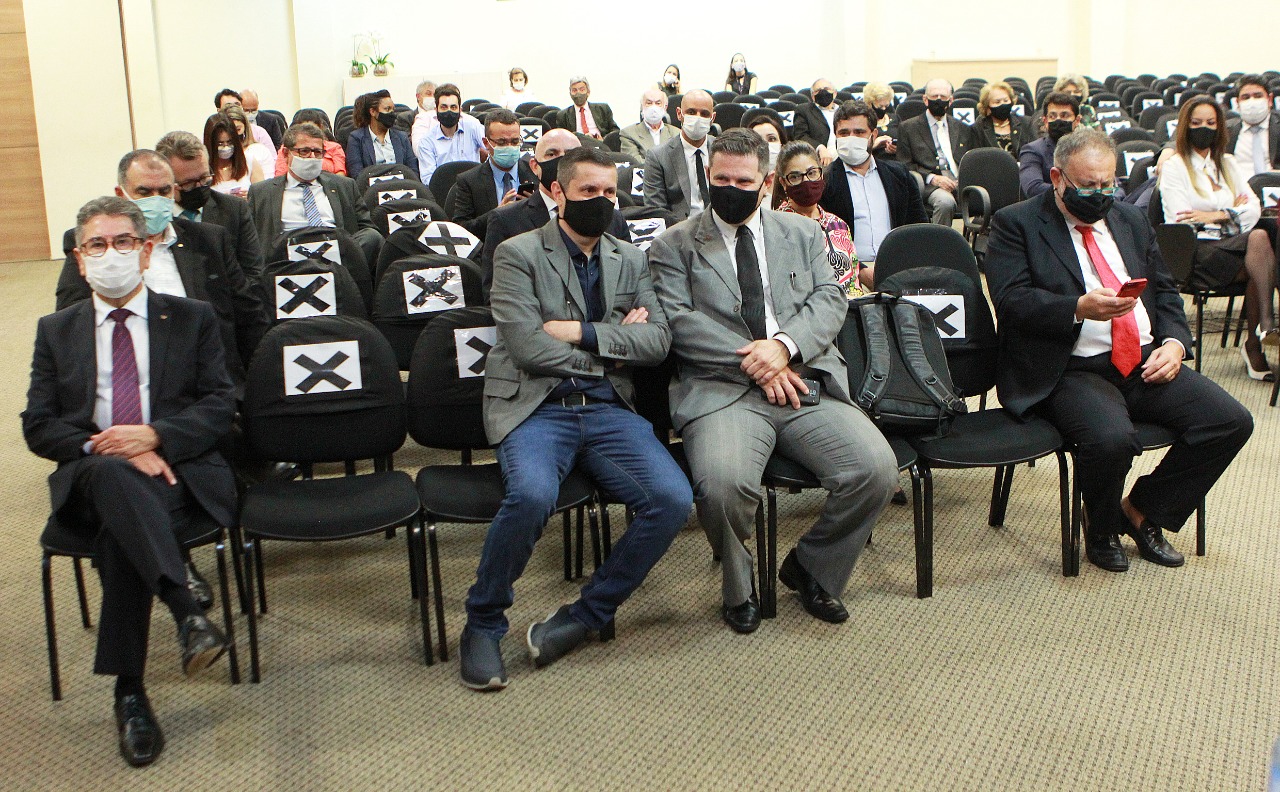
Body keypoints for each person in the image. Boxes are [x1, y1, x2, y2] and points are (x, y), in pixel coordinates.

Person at [459, 146, 692, 691]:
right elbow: (527, 346)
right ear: (557, 192)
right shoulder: (517, 253)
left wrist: (580, 333)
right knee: (531, 496)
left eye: (610, 192)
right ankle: (483, 622)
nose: (602, 201)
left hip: (608, 407)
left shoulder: (630, 258)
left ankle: (586, 615)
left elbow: (657, 341)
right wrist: (612, 349)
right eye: (589, 191)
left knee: (671, 500)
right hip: (536, 405)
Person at [648, 129, 898, 634]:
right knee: (722, 488)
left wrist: (783, 348)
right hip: (722, 390)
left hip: (803, 380)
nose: (731, 189)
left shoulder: (803, 233)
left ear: (766, 183)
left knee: (876, 471)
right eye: (721, 179)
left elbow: (829, 299)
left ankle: (813, 568)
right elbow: (678, 322)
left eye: (744, 181)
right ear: (708, 176)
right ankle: (739, 586)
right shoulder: (673, 244)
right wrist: (761, 362)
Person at [24, 196, 237, 765]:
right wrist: (110, 446)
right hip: (91, 473)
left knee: (119, 530)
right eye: (96, 244)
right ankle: (185, 610)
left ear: (145, 252)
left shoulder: (191, 317)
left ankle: (130, 692)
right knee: (112, 477)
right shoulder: (56, 330)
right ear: (78, 259)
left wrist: (154, 436)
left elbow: (220, 405)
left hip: (176, 472)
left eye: (122, 242)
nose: (110, 253)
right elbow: (38, 425)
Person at [984, 127, 1253, 573]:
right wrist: (1077, 308)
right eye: (1088, 185)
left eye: (1107, 184)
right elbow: (1011, 301)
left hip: (1142, 358)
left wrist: (1174, 343)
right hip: (1070, 368)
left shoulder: (1129, 218)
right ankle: (1101, 526)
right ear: (1057, 178)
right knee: (1111, 439)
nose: (1100, 195)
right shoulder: (1017, 223)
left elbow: (1165, 290)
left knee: (1229, 421)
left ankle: (1141, 511)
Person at [56, 150, 268, 385]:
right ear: (121, 194)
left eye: (164, 191)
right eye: (144, 192)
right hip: (130, 380)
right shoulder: (95, 246)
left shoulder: (210, 241)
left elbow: (249, 317)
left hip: (207, 378)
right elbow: (70, 324)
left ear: (174, 190)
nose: (156, 200)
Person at [1159, 96, 1279, 378]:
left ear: (1220, 127)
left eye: (1211, 123)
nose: (1204, 128)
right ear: (1186, 126)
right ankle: (1262, 332)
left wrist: (1217, 215)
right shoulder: (1175, 166)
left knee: (1260, 245)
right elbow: (1181, 219)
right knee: (1260, 245)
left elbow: (1253, 208)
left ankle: (1259, 337)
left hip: (1238, 249)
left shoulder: (1228, 163)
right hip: (1197, 253)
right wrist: (1232, 213)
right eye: (1197, 122)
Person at [481, 129, 632, 289]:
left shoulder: (613, 218)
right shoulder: (506, 220)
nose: (561, 161)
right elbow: (496, 292)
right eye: (552, 154)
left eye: (570, 154)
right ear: (534, 166)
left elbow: (628, 281)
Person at [247, 122, 384, 272]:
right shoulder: (261, 192)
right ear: (286, 154)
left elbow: (367, 227)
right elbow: (251, 241)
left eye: (317, 152)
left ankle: (338, 276)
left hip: (339, 257)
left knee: (371, 236)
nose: (312, 157)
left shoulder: (344, 186)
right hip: (287, 261)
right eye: (304, 151)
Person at [820, 100, 927, 279]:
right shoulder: (824, 181)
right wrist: (860, 271)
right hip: (846, 273)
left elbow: (919, 227)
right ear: (836, 135)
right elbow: (822, 240)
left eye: (859, 132)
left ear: (873, 135)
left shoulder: (899, 175)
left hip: (897, 268)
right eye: (844, 133)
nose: (851, 138)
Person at [155, 130, 264, 285]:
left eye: (205, 178)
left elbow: (254, 274)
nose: (200, 186)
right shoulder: (155, 219)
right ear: (166, 183)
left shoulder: (234, 210)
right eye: (189, 183)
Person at [772, 141, 863, 294]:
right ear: (783, 182)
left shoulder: (838, 224)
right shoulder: (776, 227)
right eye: (795, 177)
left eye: (812, 173)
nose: (806, 181)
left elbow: (854, 280)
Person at [896, 79, 976, 225]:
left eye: (943, 97)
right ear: (925, 100)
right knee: (945, 202)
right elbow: (905, 165)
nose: (938, 100)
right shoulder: (908, 128)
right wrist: (933, 178)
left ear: (951, 101)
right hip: (930, 184)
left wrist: (964, 178)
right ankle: (938, 239)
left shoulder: (962, 128)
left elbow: (971, 159)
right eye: (934, 96)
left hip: (960, 183)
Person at [451, 108, 537, 238]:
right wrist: (496, 214)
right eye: (502, 142)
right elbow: (461, 230)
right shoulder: (468, 181)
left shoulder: (536, 173)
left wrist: (536, 208)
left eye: (515, 141)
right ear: (486, 143)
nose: (509, 146)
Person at [642, 90, 717, 220]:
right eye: (691, 112)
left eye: (704, 114)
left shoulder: (723, 151)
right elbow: (656, 210)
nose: (698, 118)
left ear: (712, 118)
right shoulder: (658, 156)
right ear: (679, 114)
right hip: (678, 228)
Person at [416, 83, 486, 183]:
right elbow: (428, 179)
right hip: (443, 189)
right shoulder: (427, 142)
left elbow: (491, 149)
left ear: (460, 111)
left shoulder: (473, 127)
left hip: (474, 187)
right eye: (444, 107)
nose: (449, 111)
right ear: (436, 110)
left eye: (453, 107)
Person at [345, 89, 418, 182]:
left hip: (401, 186)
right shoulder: (356, 139)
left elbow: (413, 171)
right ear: (373, 112)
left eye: (393, 110)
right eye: (387, 109)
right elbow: (357, 174)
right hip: (372, 187)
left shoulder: (402, 137)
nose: (392, 114)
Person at [1019, 92, 1082, 198]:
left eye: (1064, 115)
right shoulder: (1032, 150)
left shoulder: (1089, 149)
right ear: (1045, 121)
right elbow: (1033, 188)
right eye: (1052, 116)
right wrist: (1078, 193)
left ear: (1077, 120)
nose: (1058, 120)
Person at [1227, 74, 1280, 177]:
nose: (1252, 102)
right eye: (1245, 97)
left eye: (1258, 96)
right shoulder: (1226, 131)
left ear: (1269, 100)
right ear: (1237, 103)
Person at [278, 109, 347, 176]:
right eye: (304, 151)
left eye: (312, 129)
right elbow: (280, 174)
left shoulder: (335, 147)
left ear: (320, 128)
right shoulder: (288, 148)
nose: (309, 132)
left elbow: (340, 173)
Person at [974, 81, 1035, 155]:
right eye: (997, 102)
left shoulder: (1026, 123)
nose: (1003, 104)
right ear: (987, 106)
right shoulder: (979, 127)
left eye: (1006, 100)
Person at [791, 78, 840, 166]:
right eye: (818, 90)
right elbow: (800, 136)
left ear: (835, 93)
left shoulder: (843, 110)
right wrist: (819, 147)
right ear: (813, 96)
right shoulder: (804, 110)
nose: (823, 92)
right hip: (818, 161)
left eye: (827, 89)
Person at [223, 105, 274, 186]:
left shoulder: (260, 151)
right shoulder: (221, 153)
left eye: (238, 129)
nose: (235, 134)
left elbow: (268, 184)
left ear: (245, 127)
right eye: (230, 130)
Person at [620, 89, 679, 158]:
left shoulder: (676, 133)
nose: (653, 108)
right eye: (649, 103)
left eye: (658, 103)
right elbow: (634, 161)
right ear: (642, 106)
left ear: (665, 107)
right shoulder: (629, 133)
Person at [205, 114, 252, 197]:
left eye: (229, 142)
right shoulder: (203, 168)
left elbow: (261, 197)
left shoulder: (249, 161)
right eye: (220, 143)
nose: (225, 147)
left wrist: (250, 197)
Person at [862, 82, 899, 158]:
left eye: (886, 106)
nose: (883, 109)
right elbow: (856, 151)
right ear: (870, 104)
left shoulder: (895, 118)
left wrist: (896, 148)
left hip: (895, 160)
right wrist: (873, 145)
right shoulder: (862, 122)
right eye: (880, 106)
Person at [410, 80, 437, 151]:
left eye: (435, 95)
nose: (432, 97)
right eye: (428, 94)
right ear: (418, 96)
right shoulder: (406, 118)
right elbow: (407, 144)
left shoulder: (441, 117)